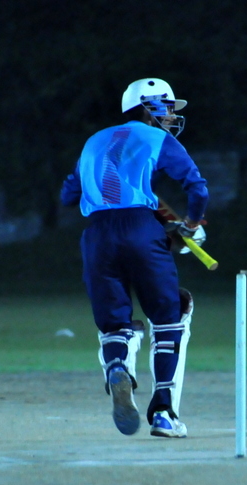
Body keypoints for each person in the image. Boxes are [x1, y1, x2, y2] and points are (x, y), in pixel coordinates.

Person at [61, 78, 209, 437]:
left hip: (97, 235)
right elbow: (198, 189)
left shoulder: (93, 142)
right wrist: (190, 225)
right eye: (168, 107)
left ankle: (117, 368)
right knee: (170, 318)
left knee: (115, 325)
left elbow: (68, 195)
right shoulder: (159, 139)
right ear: (147, 107)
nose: (172, 115)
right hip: (142, 230)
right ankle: (164, 414)